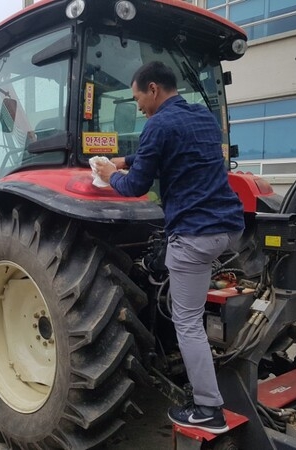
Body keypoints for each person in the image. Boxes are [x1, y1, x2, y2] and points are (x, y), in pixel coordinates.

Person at [94, 61, 244, 434]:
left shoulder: (157, 125)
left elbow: (134, 188)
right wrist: (126, 159)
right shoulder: (204, 119)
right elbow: (175, 151)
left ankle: (209, 408)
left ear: (153, 89)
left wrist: (111, 173)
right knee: (193, 310)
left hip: (194, 234)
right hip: (227, 228)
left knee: (187, 322)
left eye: (138, 98)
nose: (139, 105)